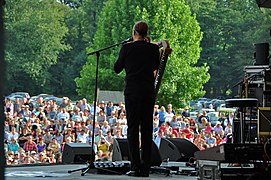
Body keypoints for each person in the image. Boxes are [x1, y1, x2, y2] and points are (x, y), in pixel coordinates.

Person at [114, 21, 160, 177]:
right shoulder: (154, 49)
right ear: (147, 33)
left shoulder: (127, 48)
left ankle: (134, 167)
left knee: (133, 129)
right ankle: (145, 168)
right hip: (147, 92)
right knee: (147, 129)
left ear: (134, 32)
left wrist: (127, 50)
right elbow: (155, 67)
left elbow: (117, 68)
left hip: (132, 92)